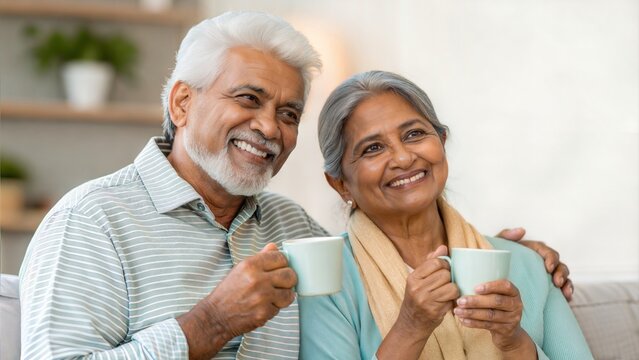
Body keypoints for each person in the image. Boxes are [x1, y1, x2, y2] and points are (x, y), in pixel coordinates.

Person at [20, 12, 572, 360]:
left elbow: (389, 242)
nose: (269, 127)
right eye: (249, 99)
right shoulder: (93, 219)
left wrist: (510, 255)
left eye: (288, 113)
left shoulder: (292, 228)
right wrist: (207, 325)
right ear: (182, 102)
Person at [300, 71, 592, 359]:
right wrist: (410, 328)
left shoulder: (527, 264)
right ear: (339, 183)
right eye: (373, 148)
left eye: (414, 134)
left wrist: (514, 343)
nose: (403, 158)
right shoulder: (325, 280)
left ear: (442, 141)